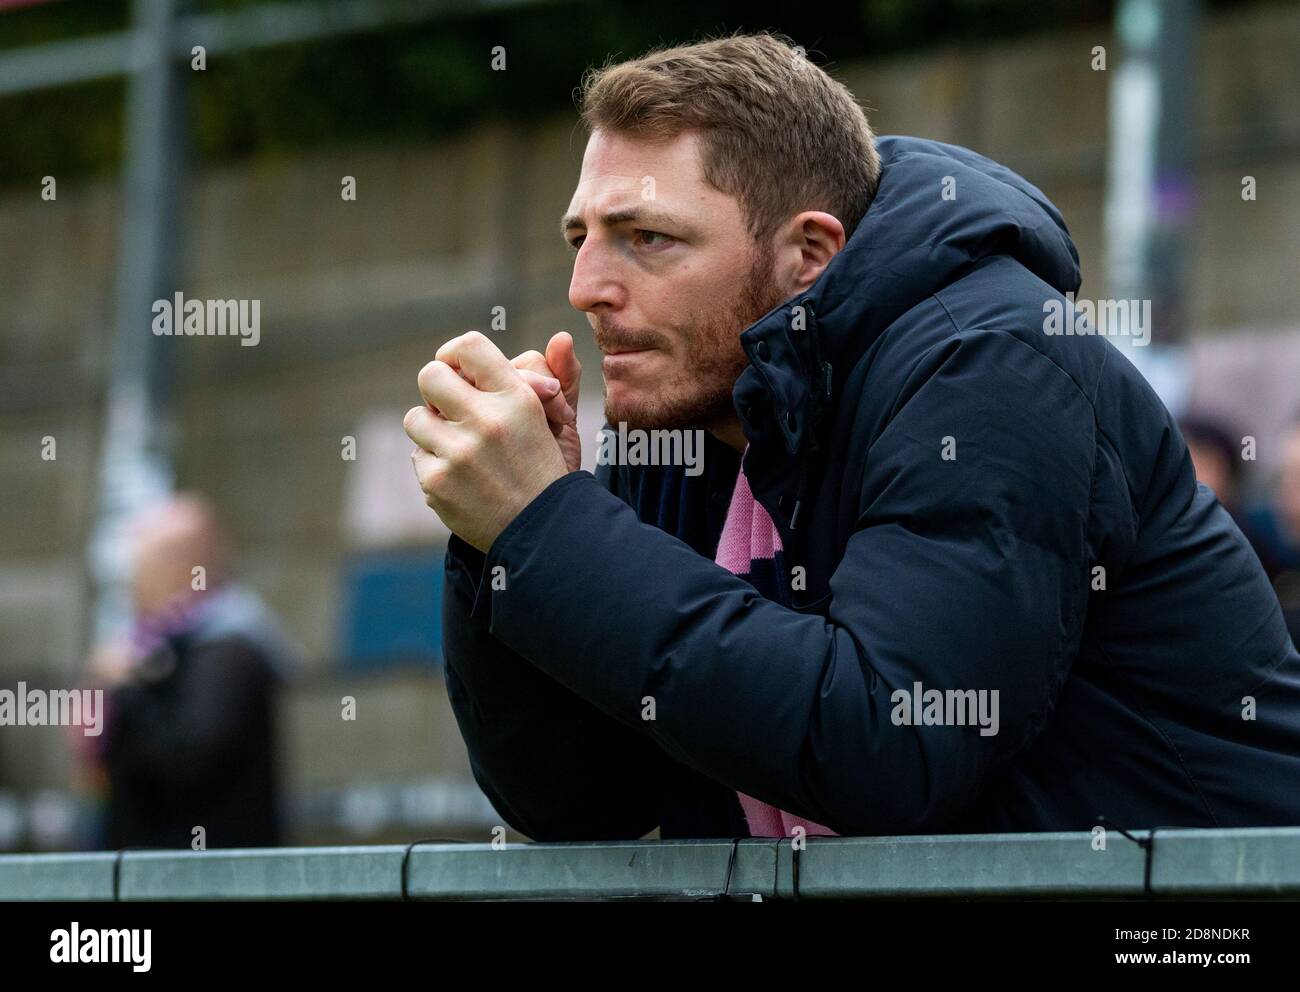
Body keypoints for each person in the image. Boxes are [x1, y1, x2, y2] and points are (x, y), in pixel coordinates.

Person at [404, 33, 1300, 840]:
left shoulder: (987, 367)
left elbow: (892, 743)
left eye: (647, 238)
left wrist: (552, 529)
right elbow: (582, 801)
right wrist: (506, 544)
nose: (587, 285)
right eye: (581, 237)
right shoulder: (684, 414)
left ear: (811, 255)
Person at [89, 493, 296, 849]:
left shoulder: (230, 652)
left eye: (142, 568)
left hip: (205, 874)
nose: (133, 586)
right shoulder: (155, 645)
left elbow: (187, 760)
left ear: (183, 570)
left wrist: (126, 689)